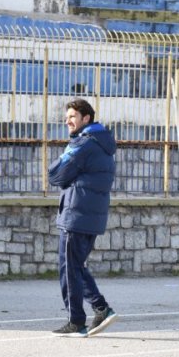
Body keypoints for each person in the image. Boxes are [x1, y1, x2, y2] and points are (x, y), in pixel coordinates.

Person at [48, 98, 119, 337]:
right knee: (75, 266)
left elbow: (55, 174)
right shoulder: (103, 144)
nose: (67, 121)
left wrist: (61, 171)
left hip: (76, 214)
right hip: (91, 216)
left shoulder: (83, 144)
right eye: (67, 116)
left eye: (72, 117)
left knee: (69, 268)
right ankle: (99, 309)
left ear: (85, 118)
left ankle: (80, 318)